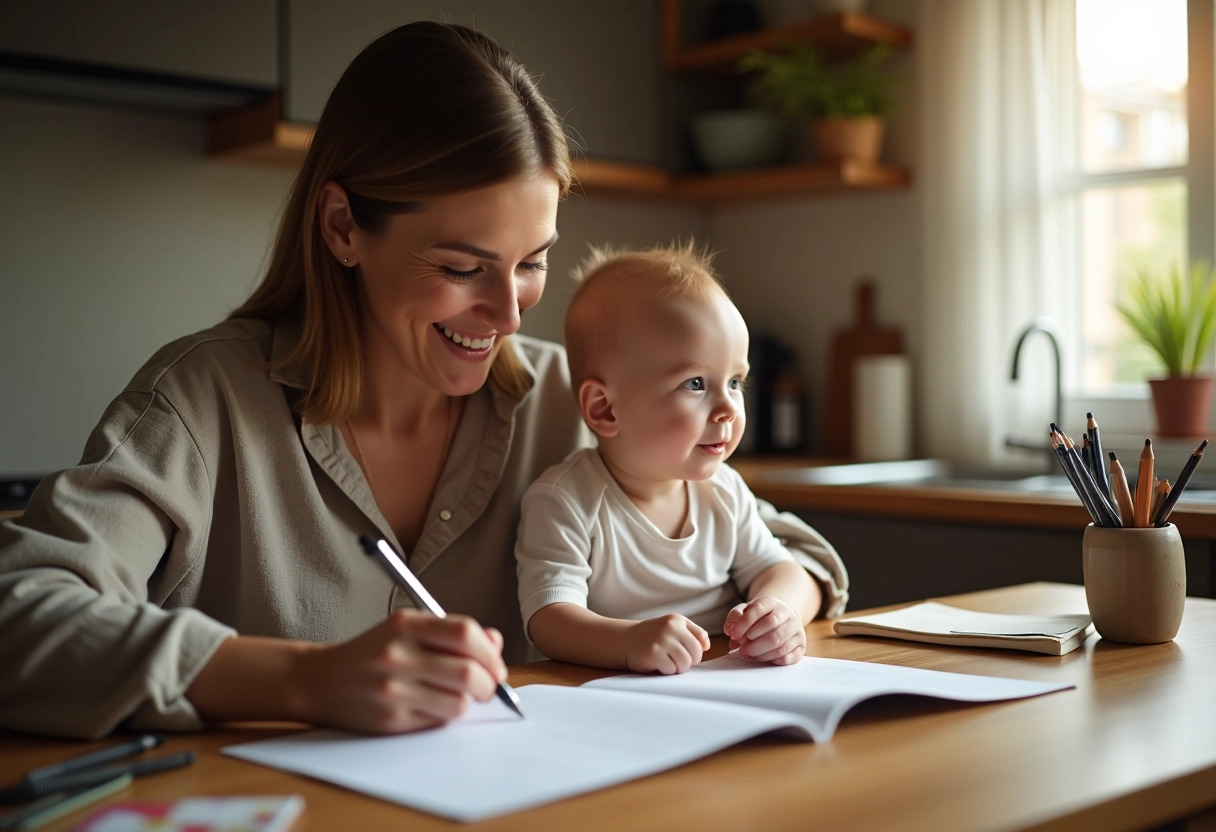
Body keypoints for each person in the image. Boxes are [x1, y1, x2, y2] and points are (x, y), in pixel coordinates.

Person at [0, 23, 846, 740]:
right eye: (462, 266)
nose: (509, 315)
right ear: (342, 227)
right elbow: (20, 617)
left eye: (531, 265)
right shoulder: (202, 403)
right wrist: (304, 681)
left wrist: (781, 603)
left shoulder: (570, 401)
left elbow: (792, 553)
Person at [516, 243, 847, 674]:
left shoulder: (723, 490)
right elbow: (549, 619)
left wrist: (778, 613)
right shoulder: (565, 500)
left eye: (735, 382)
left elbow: (782, 568)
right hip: (619, 695)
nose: (728, 408)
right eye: (695, 383)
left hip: (729, 681)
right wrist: (628, 641)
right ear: (604, 408)